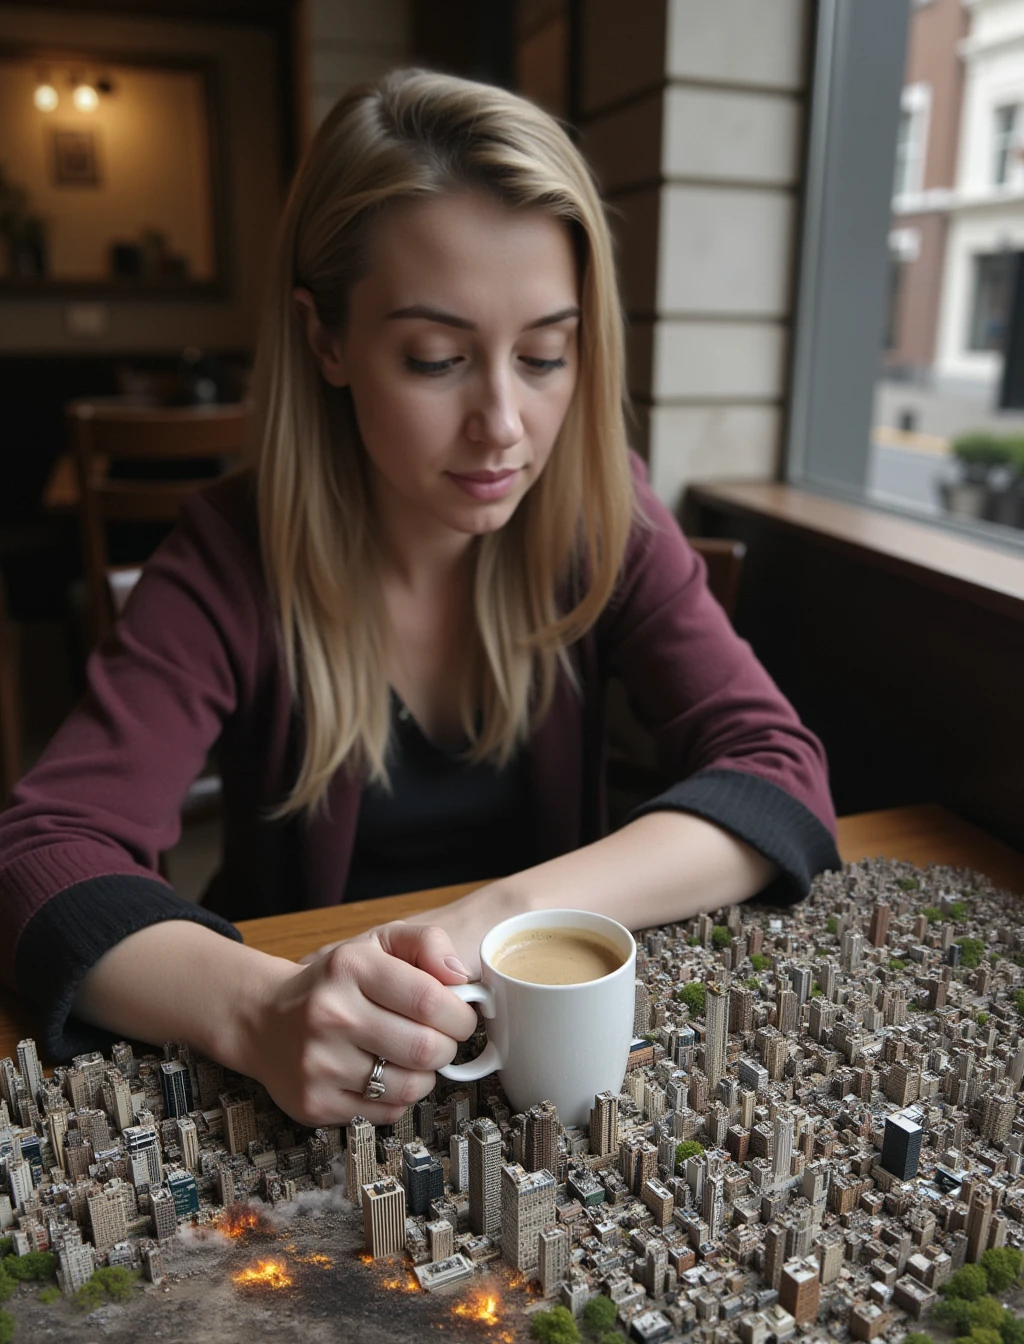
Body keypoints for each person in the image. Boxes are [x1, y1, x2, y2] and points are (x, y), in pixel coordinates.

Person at [0, 69, 840, 1130]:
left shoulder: (599, 512)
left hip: (536, 1070)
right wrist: (263, 1008)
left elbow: (778, 771)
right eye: (436, 358)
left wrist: (499, 915)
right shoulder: (231, 555)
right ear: (326, 341)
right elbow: (43, 853)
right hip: (327, 1086)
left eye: (545, 354)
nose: (504, 422)